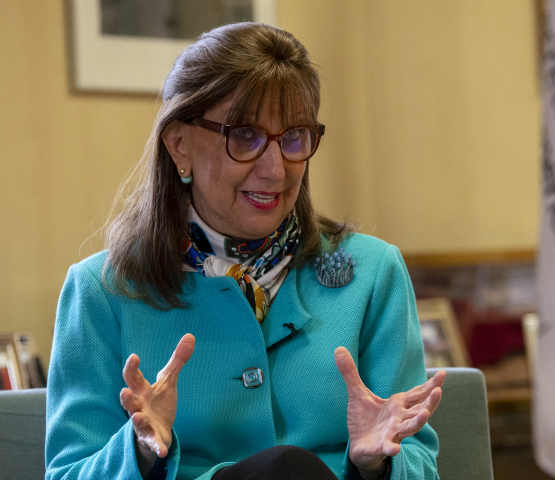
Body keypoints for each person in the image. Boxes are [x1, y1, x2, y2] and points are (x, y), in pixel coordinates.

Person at [45, 22, 445, 480]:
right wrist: (137, 452)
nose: (275, 169)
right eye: (245, 136)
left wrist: (378, 465)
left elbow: (420, 463)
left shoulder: (374, 274)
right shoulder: (102, 291)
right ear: (179, 145)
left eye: (294, 137)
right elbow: (67, 472)